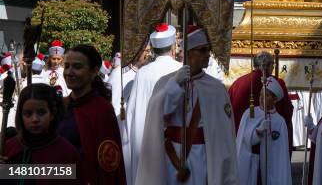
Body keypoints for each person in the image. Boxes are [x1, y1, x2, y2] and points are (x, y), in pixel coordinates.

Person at [136, 26, 238, 185]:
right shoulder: (166, 82)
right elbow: (161, 114)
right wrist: (175, 85)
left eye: (208, 50)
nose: (208, 54)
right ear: (189, 53)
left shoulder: (216, 88)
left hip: (202, 154)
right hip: (172, 156)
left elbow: (224, 133)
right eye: (203, 50)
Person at [58, 44, 125, 184]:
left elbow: (109, 165)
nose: (69, 72)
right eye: (67, 66)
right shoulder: (60, 106)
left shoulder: (102, 110)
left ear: (94, 72)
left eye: (77, 67)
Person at [126, 23, 182, 184]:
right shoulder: (181, 70)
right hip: (174, 140)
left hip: (145, 137)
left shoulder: (143, 73)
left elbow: (132, 111)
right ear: (173, 47)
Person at [0, 84, 82, 184]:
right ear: (21, 115)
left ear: (52, 114)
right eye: (28, 114)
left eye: (41, 112)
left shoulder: (66, 153)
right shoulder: (8, 148)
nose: (35, 119)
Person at [228, 51, 294, 153]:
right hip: (266, 146)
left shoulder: (237, 83)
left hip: (240, 142)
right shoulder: (274, 84)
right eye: (273, 65)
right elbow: (287, 112)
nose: (273, 68)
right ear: (267, 65)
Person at [236, 76, 292, 185]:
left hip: (271, 168)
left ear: (275, 99)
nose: (262, 98)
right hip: (252, 166)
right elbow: (245, 140)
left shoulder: (280, 121)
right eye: (261, 94)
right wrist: (258, 132)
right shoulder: (251, 112)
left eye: (266, 95)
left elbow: (281, 154)